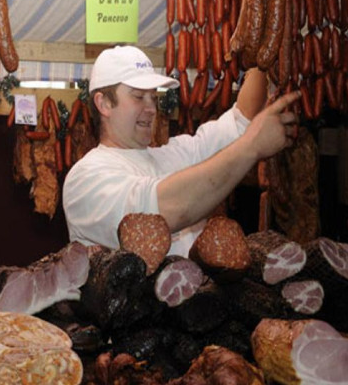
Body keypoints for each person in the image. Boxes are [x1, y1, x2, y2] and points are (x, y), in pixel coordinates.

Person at [62, 45, 300, 256]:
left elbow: (242, 118)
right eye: (138, 97)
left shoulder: (172, 155)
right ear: (104, 103)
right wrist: (252, 146)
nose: (151, 108)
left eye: (153, 97)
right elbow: (164, 212)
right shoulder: (85, 178)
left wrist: (263, 44)